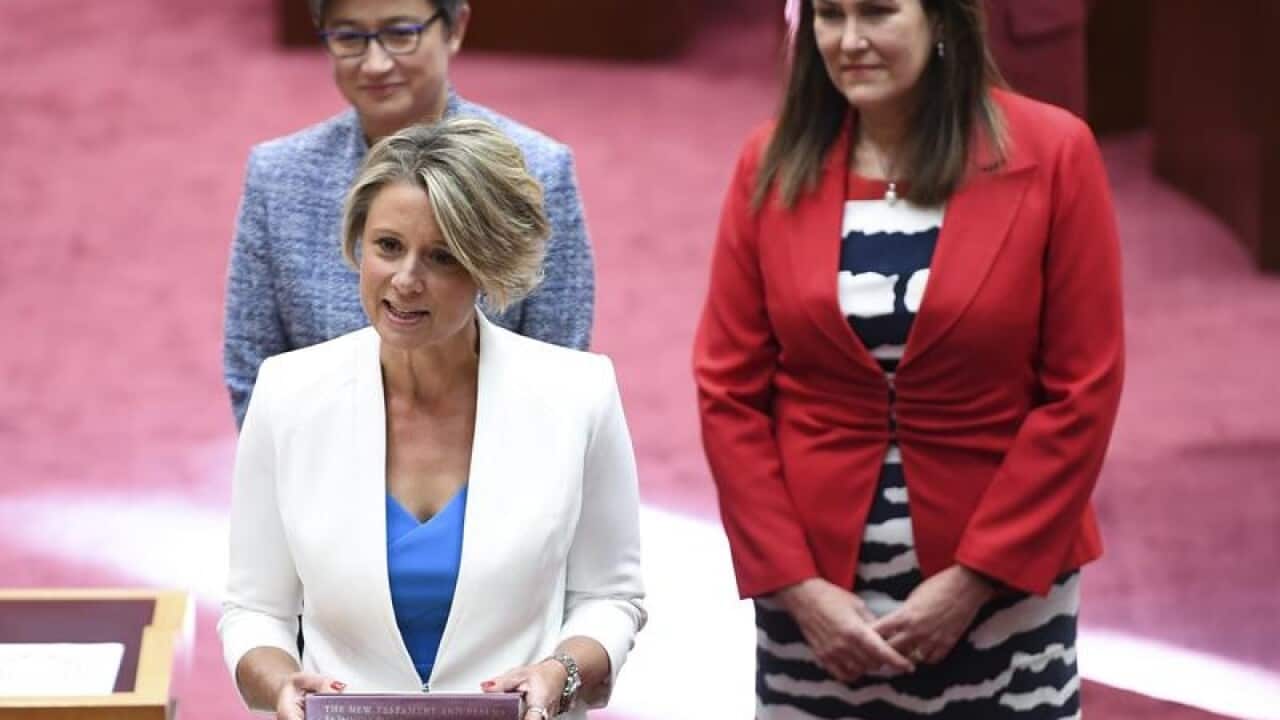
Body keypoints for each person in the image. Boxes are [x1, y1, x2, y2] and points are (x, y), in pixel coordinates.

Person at [693, 1, 1123, 717]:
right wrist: (797, 585)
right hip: (820, 614)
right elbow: (728, 390)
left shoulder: (1055, 153)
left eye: (878, 12)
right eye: (830, 15)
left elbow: (1083, 388)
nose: (850, 40)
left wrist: (974, 579)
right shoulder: (769, 161)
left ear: (944, 20)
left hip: (1003, 597)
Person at [219, 118, 644, 720]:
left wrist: (561, 673)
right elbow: (255, 610)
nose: (405, 280)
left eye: (441, 257)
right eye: (388, 246)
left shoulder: (580, 393)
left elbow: (610, 596)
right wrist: (280, 685)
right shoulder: (286, 392)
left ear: (486, 267)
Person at [224, 0, 593, 428]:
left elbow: (557, 370)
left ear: (455, 27)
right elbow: (254, 373)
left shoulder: (536, 171)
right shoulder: (277, 175)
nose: (375, 63)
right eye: (348, 37)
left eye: (400, 34)